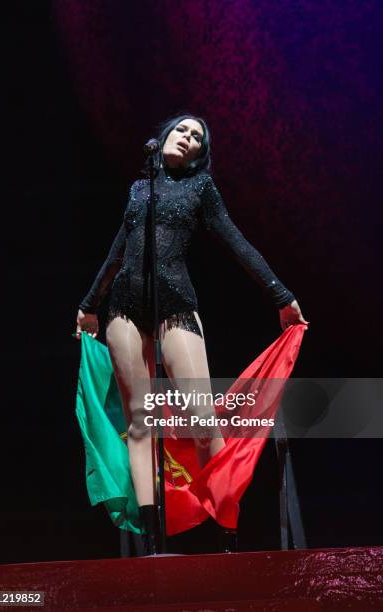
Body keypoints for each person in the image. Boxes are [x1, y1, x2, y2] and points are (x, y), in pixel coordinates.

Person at [75, 114, 309, 554]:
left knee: (202, 421)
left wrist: (281, 296)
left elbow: (236, 242)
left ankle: (226, 535)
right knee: (141, 424)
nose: (188, 138)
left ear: (201, 155)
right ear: (162, 136)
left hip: (176, 306)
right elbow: (116, 253)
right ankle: (153, 543)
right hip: (124, 308)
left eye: (197, 137)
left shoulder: (200, 189)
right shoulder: (138, 188)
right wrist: (90, 305)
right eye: (182, 130)